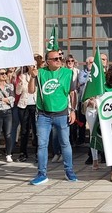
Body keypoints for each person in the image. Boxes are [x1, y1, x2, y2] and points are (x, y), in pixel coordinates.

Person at [29, 50, 78, 185]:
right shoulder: (40, 73)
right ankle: (42, 173)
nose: (59, 60)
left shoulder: (68, 73)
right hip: (44, 114)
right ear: (48, 61)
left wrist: (73, 110)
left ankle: (69, 171)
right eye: (55, 58)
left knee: (65, 143)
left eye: (60, 58)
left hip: (61, 113)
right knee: (42, 144)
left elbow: (72, 93)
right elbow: (31, 91)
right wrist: (32, 77)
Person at [14, 62, 38, 161]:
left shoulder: (39, 76)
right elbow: (18, 92)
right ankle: (23, 153)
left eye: (34, 65)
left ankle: (38, 152)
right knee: (24, 130)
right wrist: (19, 84)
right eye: (30, 65)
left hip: (35, 105)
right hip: (24, 105)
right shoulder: (22, 76)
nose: (32, 67)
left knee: (36, 130)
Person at [0, 68, 15, 163]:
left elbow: (12, 99)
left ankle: (8, 154)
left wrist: (2, 99)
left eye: (5, 73)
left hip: (8, 112)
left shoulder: (10, 86)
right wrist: (5, 100)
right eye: (2, 73)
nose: (4, 75)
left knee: (8, 134)